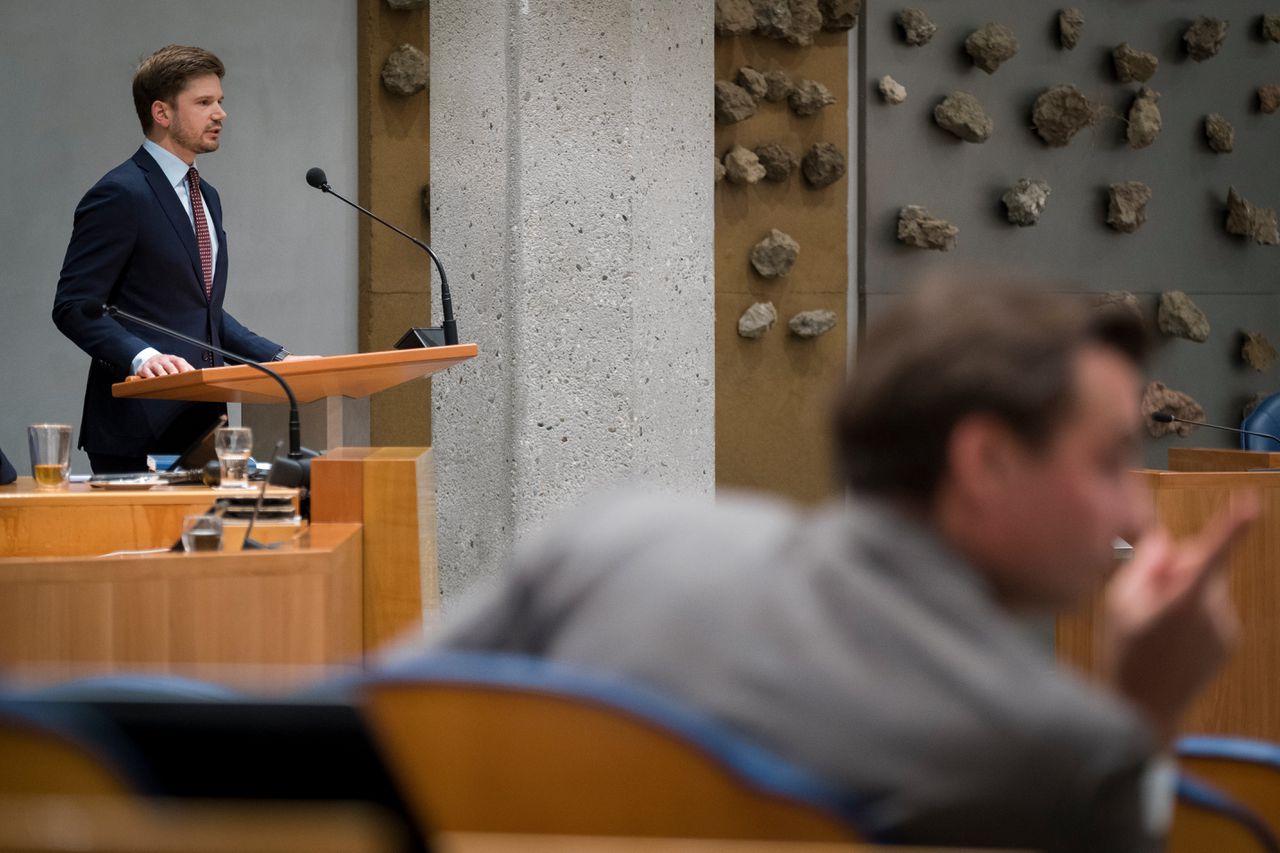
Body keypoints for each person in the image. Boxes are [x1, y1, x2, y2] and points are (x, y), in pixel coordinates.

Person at [429, 277, 1256, 851]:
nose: (1138, 510)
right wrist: (1147, 716)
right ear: (986, 463)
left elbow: (341, 731)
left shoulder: (612, 540)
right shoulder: (1065, 754)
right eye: (1111, 462)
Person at [51, 45, 290, 474]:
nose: (220, 114)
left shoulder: (206, 196)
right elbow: (74, 307)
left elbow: (200, 309)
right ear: (162, 113)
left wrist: (276, 359)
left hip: (203, 426)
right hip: (138, 429)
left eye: (220, 101)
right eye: (204, 103)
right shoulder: (121, 194)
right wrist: (142, 357)